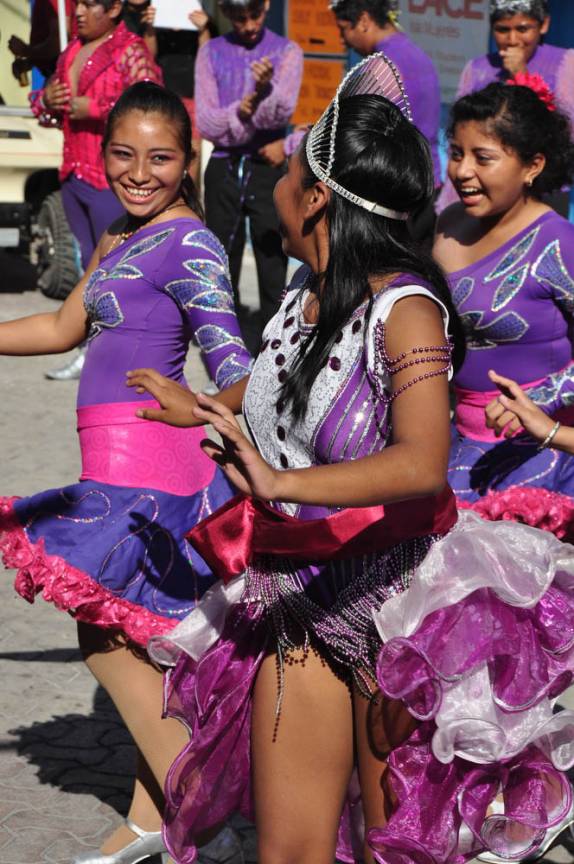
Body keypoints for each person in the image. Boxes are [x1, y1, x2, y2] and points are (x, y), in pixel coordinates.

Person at [129, 54, 574, 864]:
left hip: (390, 617)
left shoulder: (405, 310)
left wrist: (279, 482)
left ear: (320, 198)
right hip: (296, 599)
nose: (279, 187)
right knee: (289, 849)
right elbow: (276, 386)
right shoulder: (306, 290)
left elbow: (420, 464)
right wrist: (203, 406)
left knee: (391, 846)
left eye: (292, 174)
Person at [0, 81, 252, 864]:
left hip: (152, 472)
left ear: (189, 162)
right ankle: (153, 818)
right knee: (139, 645)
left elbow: (243, 366)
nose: (139, 172)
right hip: (112, 465)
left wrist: (200, 403)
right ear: (102, 154)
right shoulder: (117, 234)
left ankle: (207, 803)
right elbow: (61, 326)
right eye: (123, 153)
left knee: (104, 635)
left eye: (161, 157)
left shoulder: (191, 243)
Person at [434, 80, 574, 534]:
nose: (463, 171)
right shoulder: (449, 225)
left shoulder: (558, 243)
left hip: (540, 458)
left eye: (483, 158)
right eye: (456, 153)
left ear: (533, 165)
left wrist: (539, 403)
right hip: (456, 444)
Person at [32, 0, 161, 381]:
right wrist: (46, 101)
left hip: (113, 179)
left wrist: (101, 106)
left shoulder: (130, 50)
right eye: (79, 5)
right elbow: (48, 111)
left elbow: (151, 101)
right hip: (74, 173)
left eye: (90, 4)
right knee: (88, 266)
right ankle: (92, 350)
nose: (80, 13)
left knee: (117, 270)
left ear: (116, 7)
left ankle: (126, 354)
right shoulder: (70, 50)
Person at [195, 0, 303, 334]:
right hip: (224, 165)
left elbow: (282, 113)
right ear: (227, 15)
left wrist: (260, 95)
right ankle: (224, 333)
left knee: (272, 256)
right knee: (222, 256)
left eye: (254, 15)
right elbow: (208, 122)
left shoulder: (287, 51)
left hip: (266, 165)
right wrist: (242, 111)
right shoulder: (211, 52)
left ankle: (273, 336)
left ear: (266, 6)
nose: (249, 25)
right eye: (239, 18)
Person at [438, 0, 574, 216]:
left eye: (523, 29)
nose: (512, 40)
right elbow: (460, 130)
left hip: (545, 188)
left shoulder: (565, 62)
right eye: (503, 30)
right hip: (485, 186)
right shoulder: (477, 68)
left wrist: (520, 75)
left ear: (544, 24)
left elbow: (564, 132)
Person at [122, 1, 213, 185]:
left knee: (189, 166)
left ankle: (187, 203)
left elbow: (208, 60)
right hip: (161, 100)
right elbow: (147, 57)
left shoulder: (203, 22)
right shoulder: (152, 19)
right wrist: (150, 28)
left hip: (192, 101)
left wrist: (204, 30)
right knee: (159, 157)